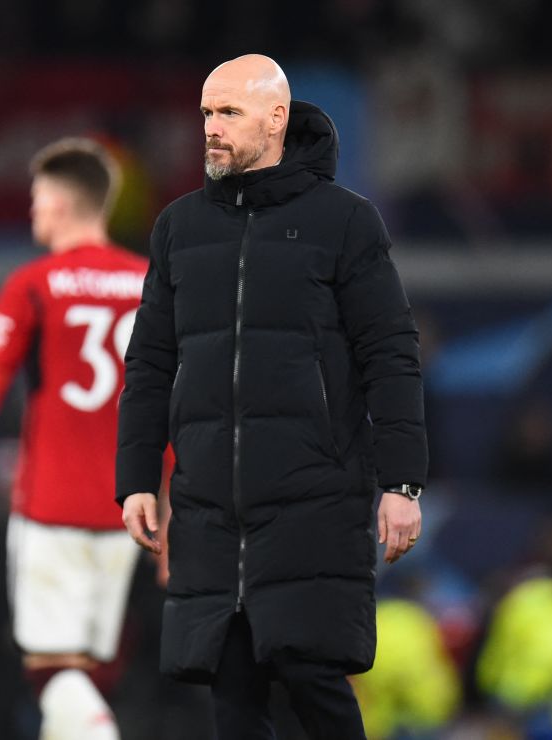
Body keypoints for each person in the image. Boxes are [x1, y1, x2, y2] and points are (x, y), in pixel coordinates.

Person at [116, 54, 428, 740]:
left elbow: (390, 354)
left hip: (314, 496)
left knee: (312, 675)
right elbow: (150, 362)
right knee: (231, 691)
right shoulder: (178, 228)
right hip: (211, 507)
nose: (211, 128)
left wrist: (403, 482)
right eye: (205, 113)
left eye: (228, 112)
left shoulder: (345, 222)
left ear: (276, 117)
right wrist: (136, 478)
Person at [0, 137, 147, 740]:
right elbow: (173, 403)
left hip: (51, 507)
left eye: (39, 201)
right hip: (127, 510)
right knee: (85, 674)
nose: (32, 214)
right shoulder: (152, 286)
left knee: (50, 673)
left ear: (65, 206)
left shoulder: (34, 284)